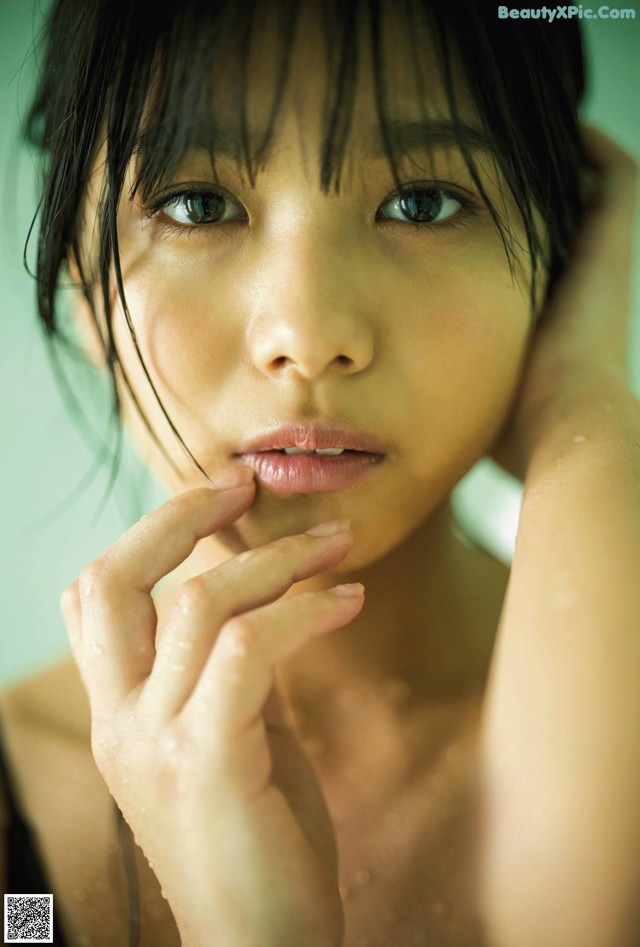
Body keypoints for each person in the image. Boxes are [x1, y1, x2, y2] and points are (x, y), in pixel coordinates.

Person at [1, 1, 639, 945]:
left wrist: (583, 396)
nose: (307, 335)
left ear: (558, 264)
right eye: (198, 205)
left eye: (422, 202)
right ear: (78, 284)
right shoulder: (19, 889)